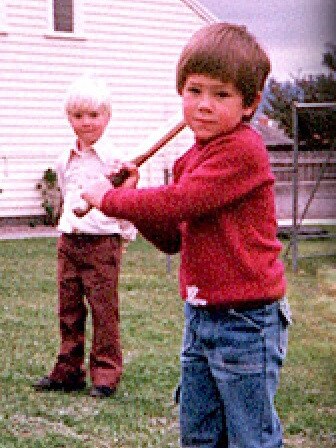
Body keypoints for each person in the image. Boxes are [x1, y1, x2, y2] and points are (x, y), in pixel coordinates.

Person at [81, 23, 291, 446]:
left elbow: (181, 200)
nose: (204, 105)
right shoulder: (191, 158)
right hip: (201, 318)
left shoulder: (243, 150)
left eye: (221, 94)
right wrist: (131, 197)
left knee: (251, 438)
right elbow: (174, 237)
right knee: (199, 435)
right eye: (194, 91)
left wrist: (108, 199)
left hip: (246, 321)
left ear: (249, 104)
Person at [33, 75, 136, 398]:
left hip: (101, 243)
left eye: (94, 115)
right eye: (78, 116)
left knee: (103, 310)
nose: (86, 123)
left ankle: (105, 374)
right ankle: (67, 371)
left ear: (107, 117)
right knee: (68, 309)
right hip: (69, 242)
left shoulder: (115, 161)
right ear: (69, 118)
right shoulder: (64, 159)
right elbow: (67, 194)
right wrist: (68, 225)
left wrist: (123, 235)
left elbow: (126, 201)